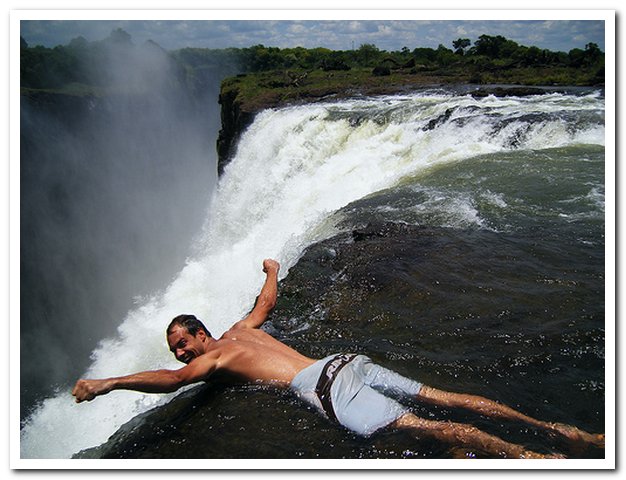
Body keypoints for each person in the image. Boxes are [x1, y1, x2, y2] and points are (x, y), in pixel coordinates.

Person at [72, 259, 604, 459]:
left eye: (183, 342)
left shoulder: (214, 359)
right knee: (448, 399)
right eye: (176, 349)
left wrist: (107, 383)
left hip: (325, 386)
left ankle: (534, 461)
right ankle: (561, 430)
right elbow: (265, 304)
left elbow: (170, 382)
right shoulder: (242, 328)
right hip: (346, 361)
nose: (181, 353)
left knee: (431, 427)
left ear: (200, 335)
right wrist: (272, 271)